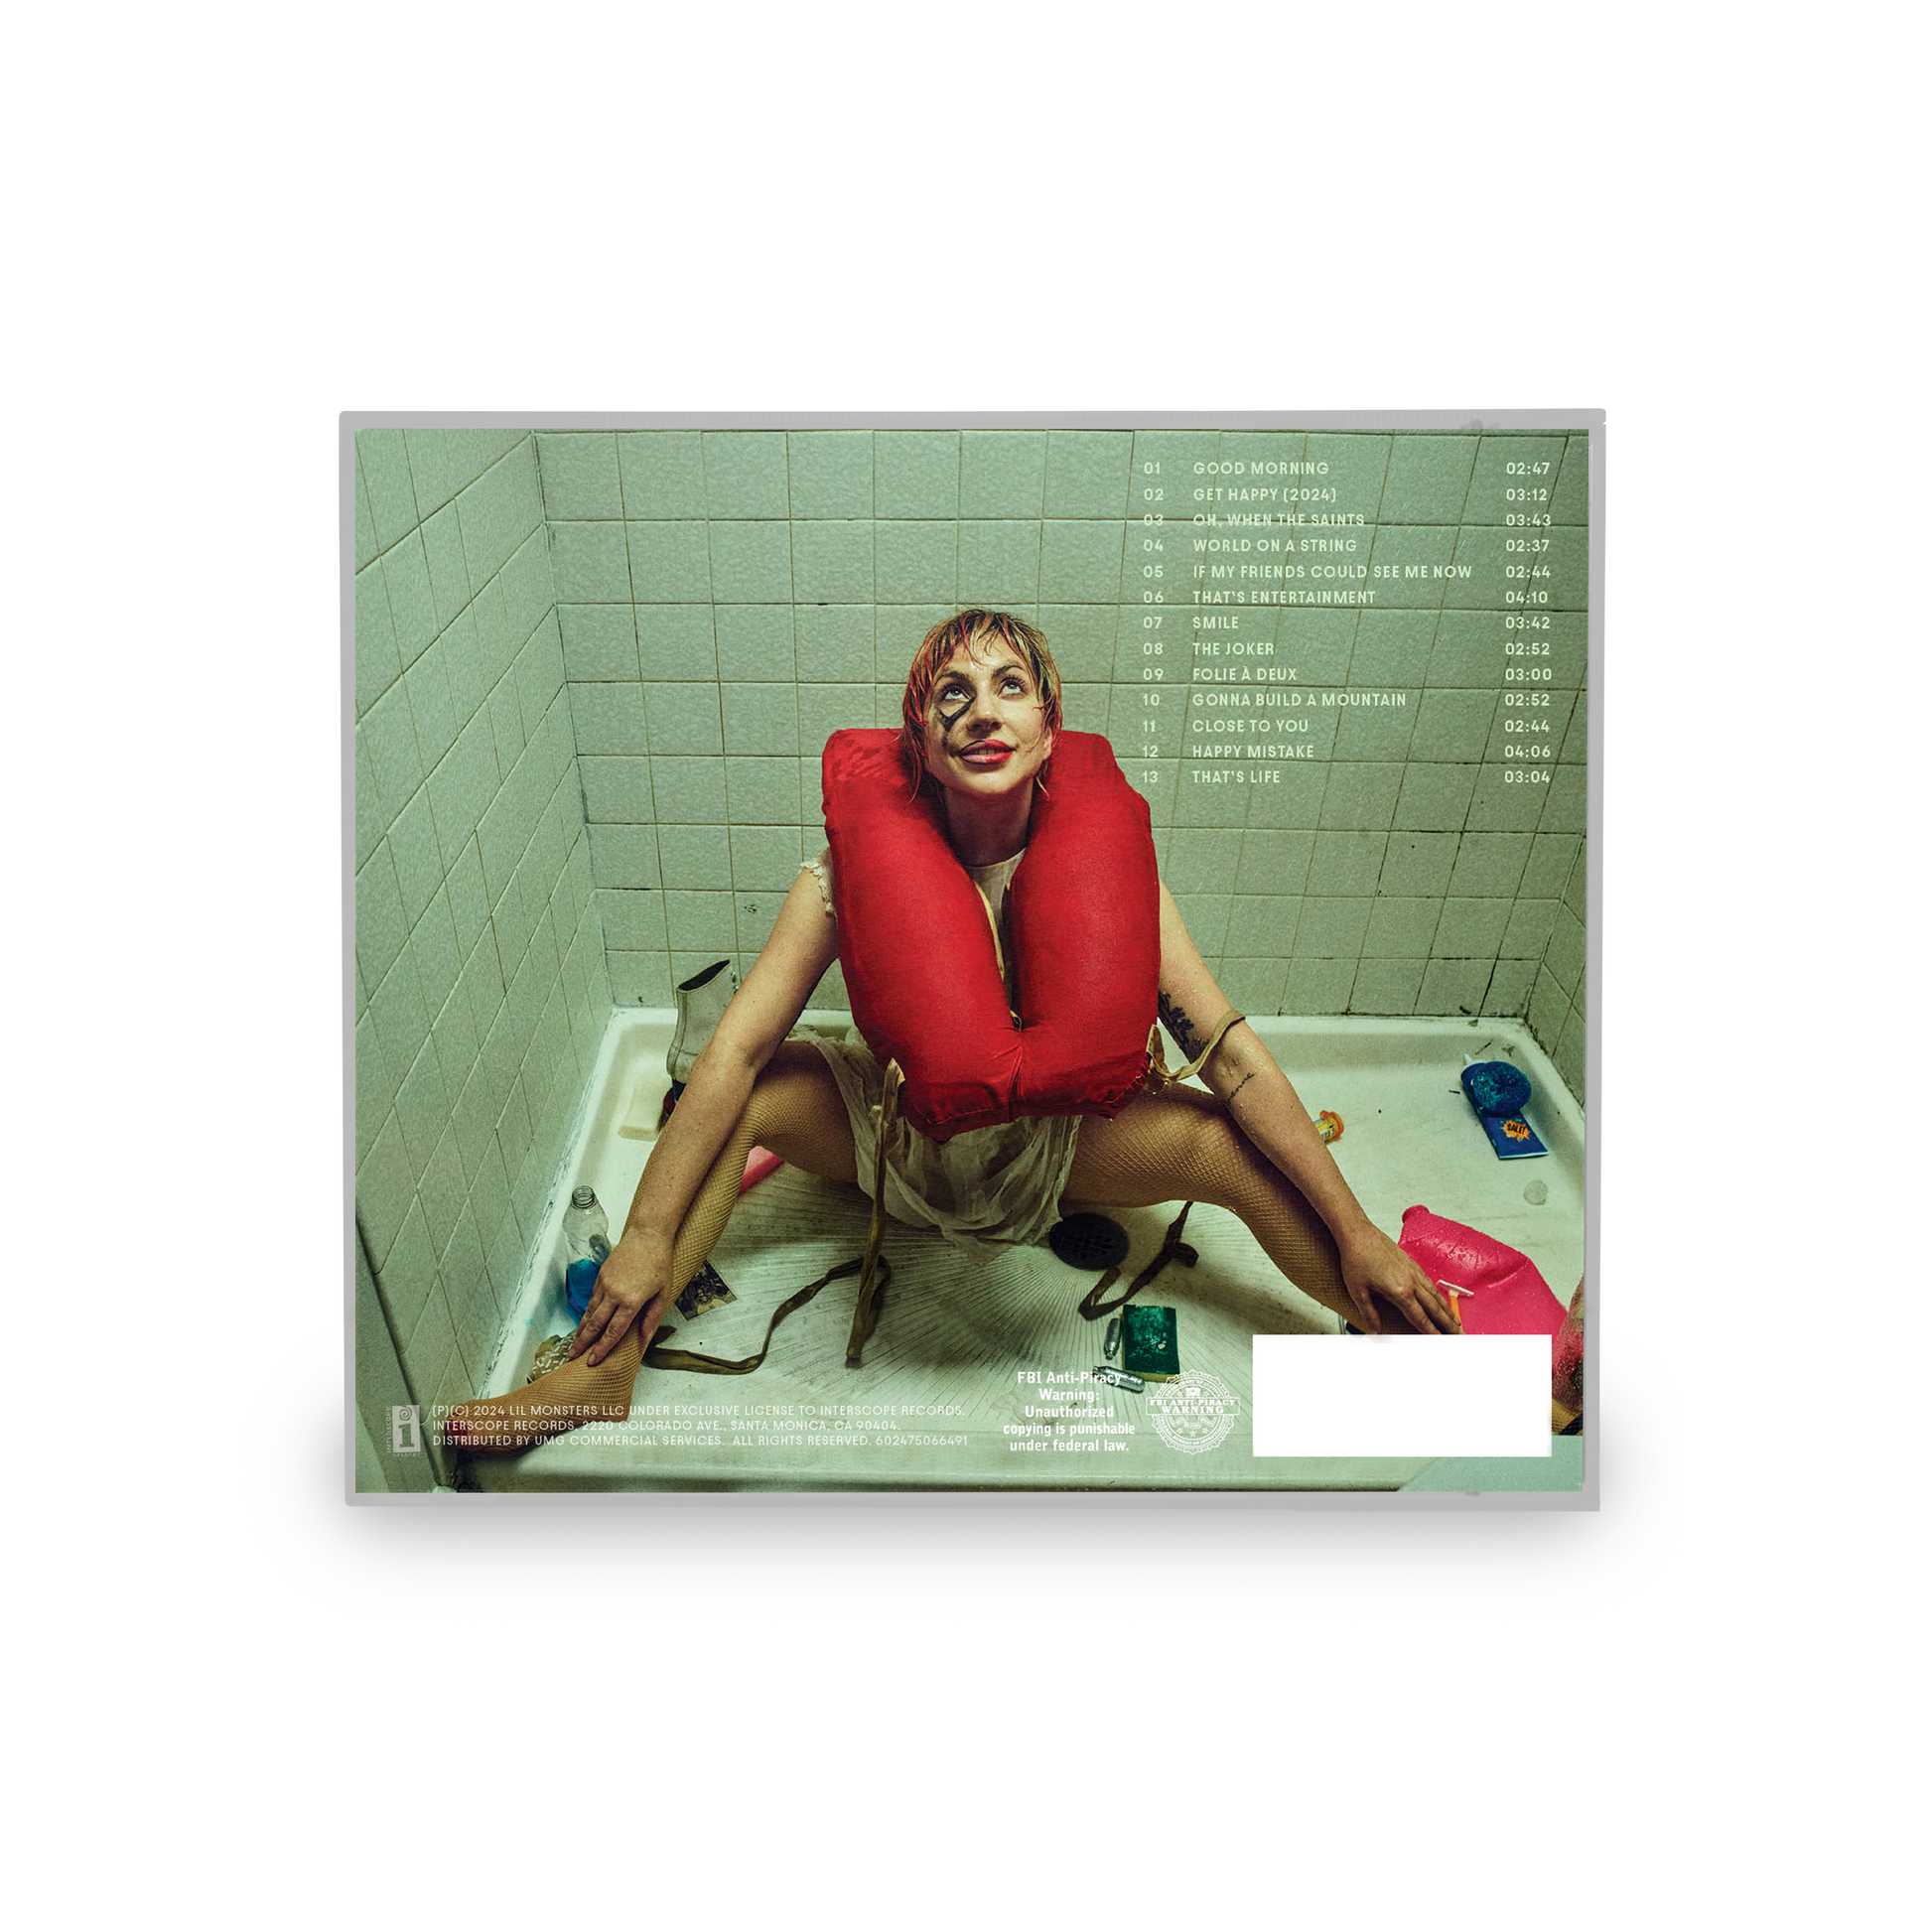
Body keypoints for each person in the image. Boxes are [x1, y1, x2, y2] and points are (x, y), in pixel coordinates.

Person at [445, 611, 1455, 1451]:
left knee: (1226, 1146)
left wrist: (1359, 1231)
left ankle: (1420, 1351)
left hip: (1054, 1153)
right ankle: (605, 1370)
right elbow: (734, 1051)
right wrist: (642, 1239)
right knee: (750, 1091)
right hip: (891, 1142)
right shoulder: (844, 875)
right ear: (921, 744)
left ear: (1050, 729)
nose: (982, 712)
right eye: (951, 696)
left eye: (1010, 687)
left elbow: (1227, 1053)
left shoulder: (1110, 877)